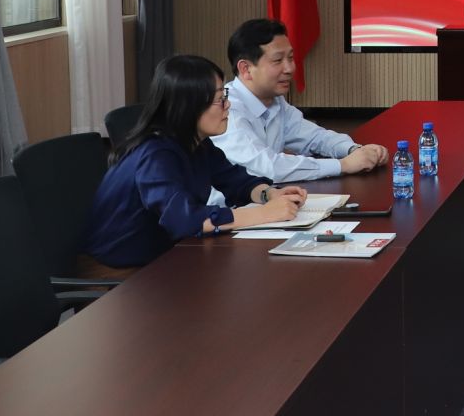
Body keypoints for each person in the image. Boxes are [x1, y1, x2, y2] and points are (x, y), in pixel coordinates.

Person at [80, 54, 311, 275]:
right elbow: (184, 219)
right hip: (120, 272)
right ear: (189, 106)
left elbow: (234, 180)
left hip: (166, 255)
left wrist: (269, 194)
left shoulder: (195, 142)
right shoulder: (156, 155)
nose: (228, 105)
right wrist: (263, 214)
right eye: (220, 99)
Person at [212, 19, 388, 194]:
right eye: (278, 60)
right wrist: (343, 165)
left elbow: (315, 137)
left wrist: (354, 150)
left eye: (290, 58)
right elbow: (267, 168)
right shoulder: (227, 109)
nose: (290, 68)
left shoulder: (275, 101)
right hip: (228, 208)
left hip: (266, 200)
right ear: (246, 69)